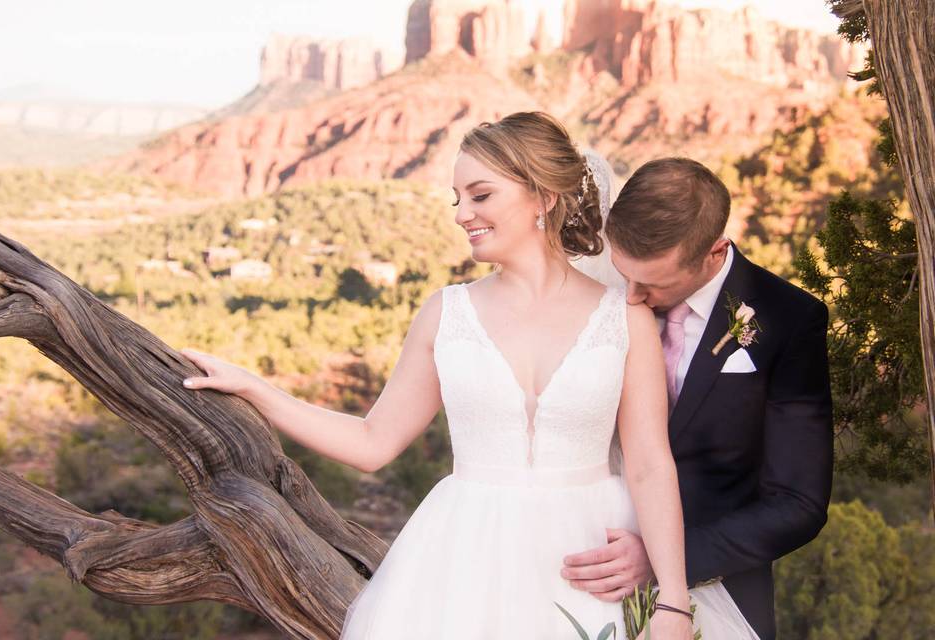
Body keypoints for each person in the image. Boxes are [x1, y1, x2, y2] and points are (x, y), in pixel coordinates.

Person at [179, 113, 756, 639]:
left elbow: (652, 464)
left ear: (544, 198)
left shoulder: (624, 316)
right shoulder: (444, 313)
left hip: (599, 558)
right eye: (457, 198)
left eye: (480, 195)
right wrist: (255, 388)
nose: (462, 215)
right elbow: (372, 442)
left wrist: (674, 604)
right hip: (466, 559)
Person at [565, 157, 834, 640]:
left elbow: (800, 503)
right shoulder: (597, 301)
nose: (630, 295)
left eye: (653, 284)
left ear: (715, 251)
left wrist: (666, 559)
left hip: (718, 589)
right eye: (624, 273)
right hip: (586, 568)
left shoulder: (788, 321)